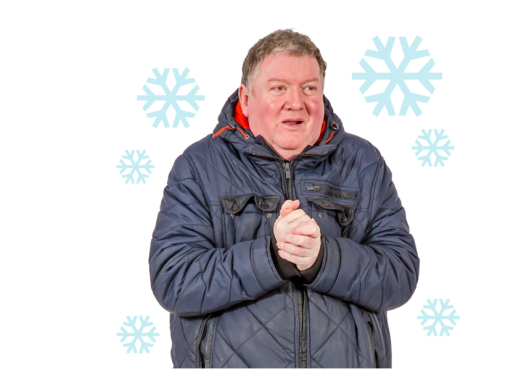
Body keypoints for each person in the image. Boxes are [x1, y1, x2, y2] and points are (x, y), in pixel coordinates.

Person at [149, 29, 419, 368]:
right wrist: (273, 258)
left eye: (309, 88)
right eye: (279, 88)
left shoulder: (363, 162)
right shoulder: (199, 166)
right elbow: (174, 280)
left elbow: (400, 274)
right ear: (246, 99)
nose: (296, 102)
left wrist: (322, 259)